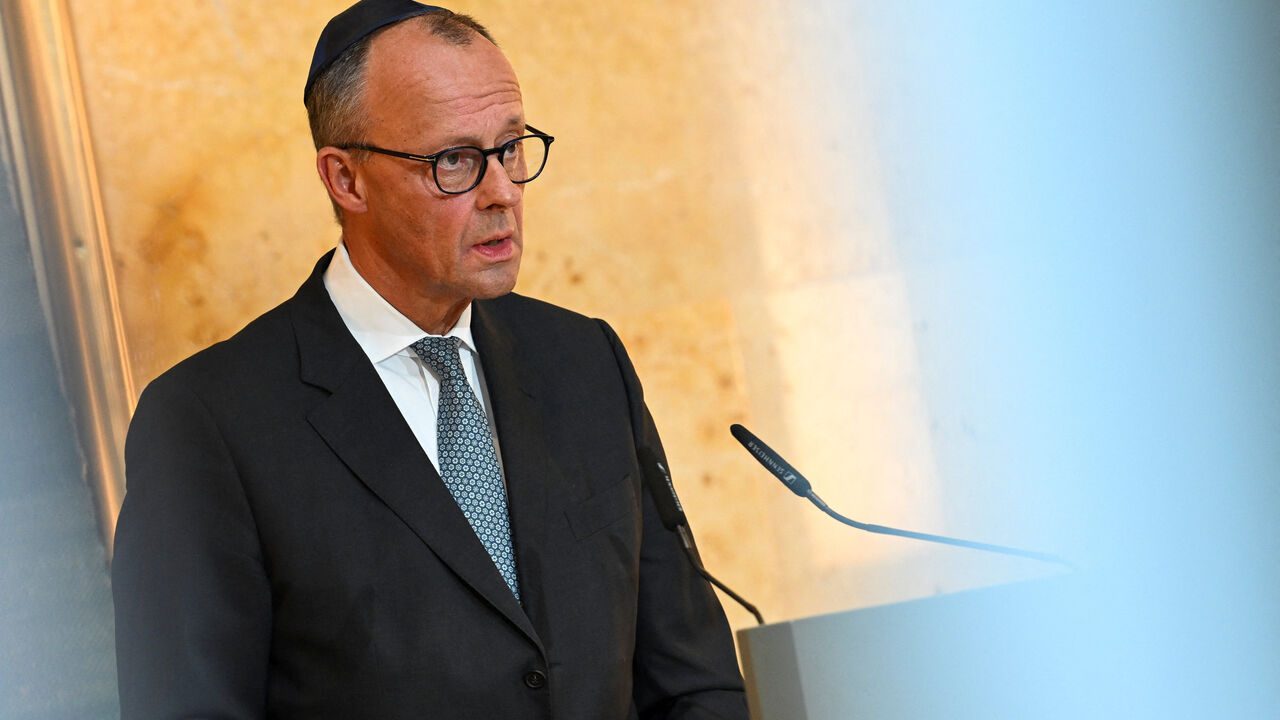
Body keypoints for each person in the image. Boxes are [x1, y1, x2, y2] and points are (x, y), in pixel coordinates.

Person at [111, 1, 748, 718]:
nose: (502, 192)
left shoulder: (583, 360)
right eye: (455, 161)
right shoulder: (210, 425)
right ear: (345, 179)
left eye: (510, 148)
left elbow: (693, 681)